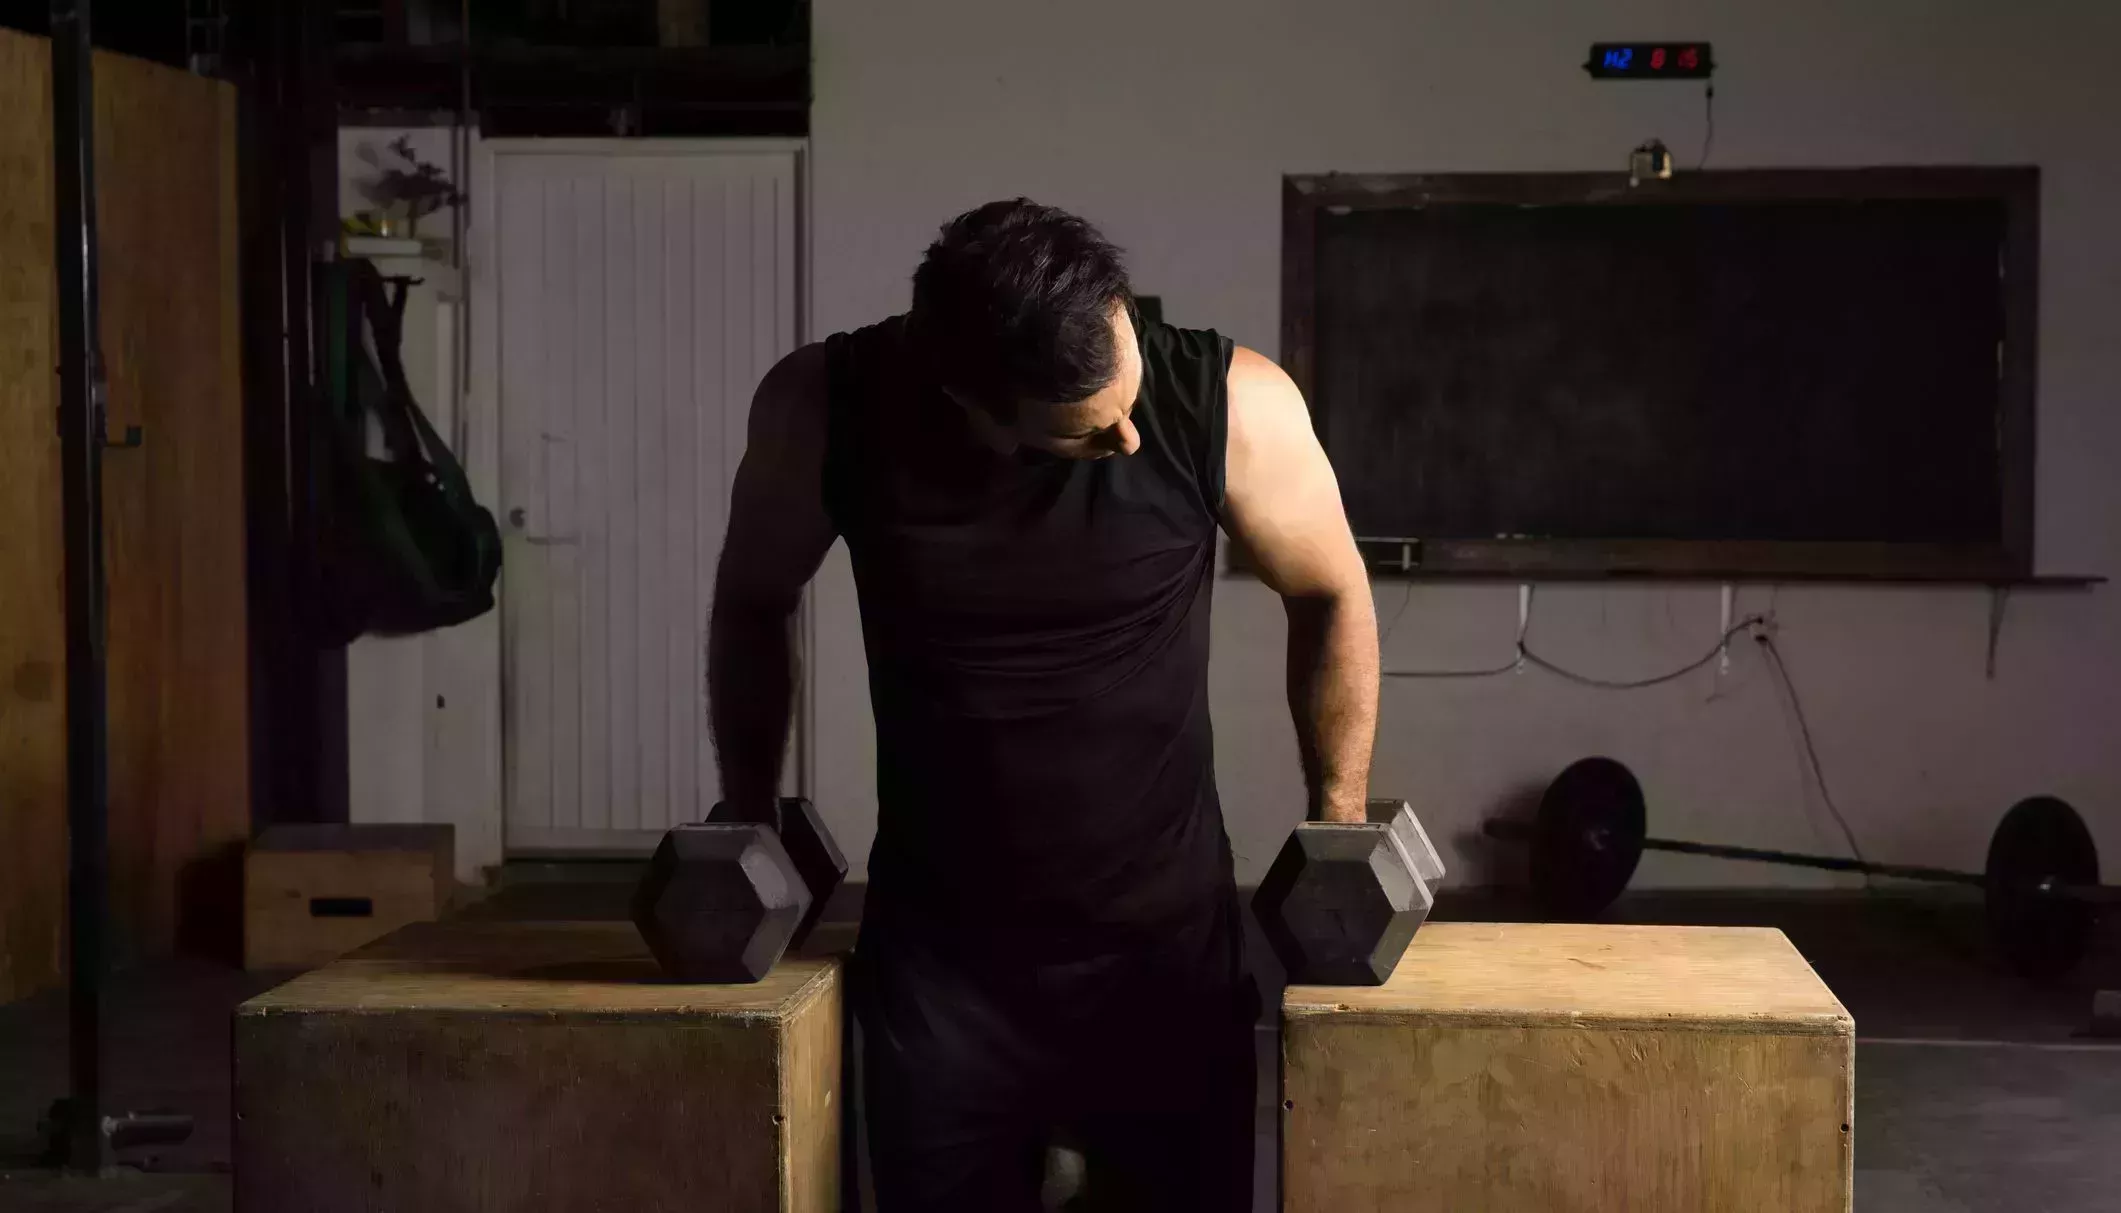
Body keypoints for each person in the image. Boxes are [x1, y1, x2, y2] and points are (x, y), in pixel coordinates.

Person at [708, 199, 1378, 1212]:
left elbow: (1330, 590)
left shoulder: (1231, 399)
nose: (1129, 434)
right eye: (1088, 436)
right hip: (943, 973)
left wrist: (1339, 816)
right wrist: (749, 809)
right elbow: (755, 599)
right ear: (970, 402)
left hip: (1164, 958)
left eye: (1128, 394)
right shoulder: (828, 406)